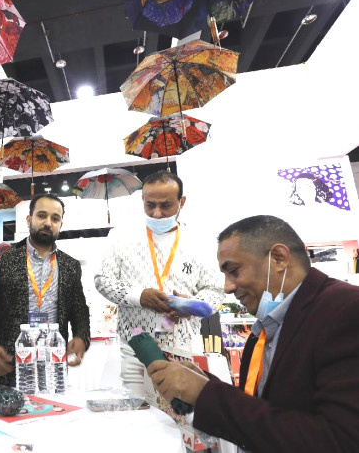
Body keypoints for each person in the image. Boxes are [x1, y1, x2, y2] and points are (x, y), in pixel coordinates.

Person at [147, 215, 359, 452]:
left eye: (234, 271)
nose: (227, 287)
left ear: (279, 258)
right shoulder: (267, 327)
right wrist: (204, 386)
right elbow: (268, 408)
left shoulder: (346, 311)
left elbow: (340, 440)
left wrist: (207, 395)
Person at [94, 171, 225, 394]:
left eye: (166, 205)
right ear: (142, 201)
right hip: (133, 345)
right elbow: (102, 281)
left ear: (181, 202)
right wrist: (139, 297)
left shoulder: (200, 241)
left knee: (180, 413)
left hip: (183, 345)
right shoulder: (121, 236)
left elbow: (215, 291)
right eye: (150, 205)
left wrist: (190, 305)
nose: (156, 213)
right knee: (137, 410)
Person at [0, 193, 91, 387]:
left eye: (55, 218)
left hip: (52, 366)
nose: (48, 223)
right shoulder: (3, 261)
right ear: (29, 220)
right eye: (41, 215)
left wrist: (81, 336)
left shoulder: (71, 266)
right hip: (5, 366)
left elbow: (79, 309)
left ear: (61, 224)